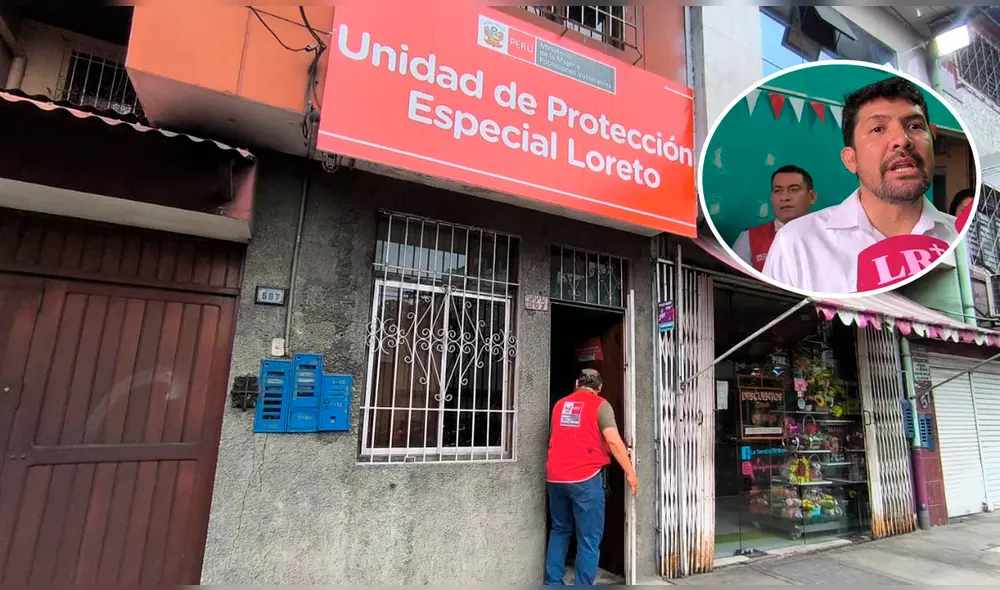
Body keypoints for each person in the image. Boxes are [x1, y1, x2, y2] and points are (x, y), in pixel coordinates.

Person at [762, 76, 958, 293]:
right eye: (878, 129)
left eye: (914, 125)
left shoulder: (960, 238)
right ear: (850, 160)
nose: (902, 140)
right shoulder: (796, 244)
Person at [544, 368, 638, 586]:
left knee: (560, 530)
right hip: (585, 478)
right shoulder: (600, 405)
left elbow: (560, 437)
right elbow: (613, 441)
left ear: (576, 383)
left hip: (555, 478)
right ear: (600, 388)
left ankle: (553, 583)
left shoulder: (559, 405)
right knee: (588, 538)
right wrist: (631, 473)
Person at [731, 165, 818, 272]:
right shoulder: (749, 238)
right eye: (778, 191)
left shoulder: (828, 236)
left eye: (794, 189)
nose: (785, 197)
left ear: (812, 197)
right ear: (772, 198)